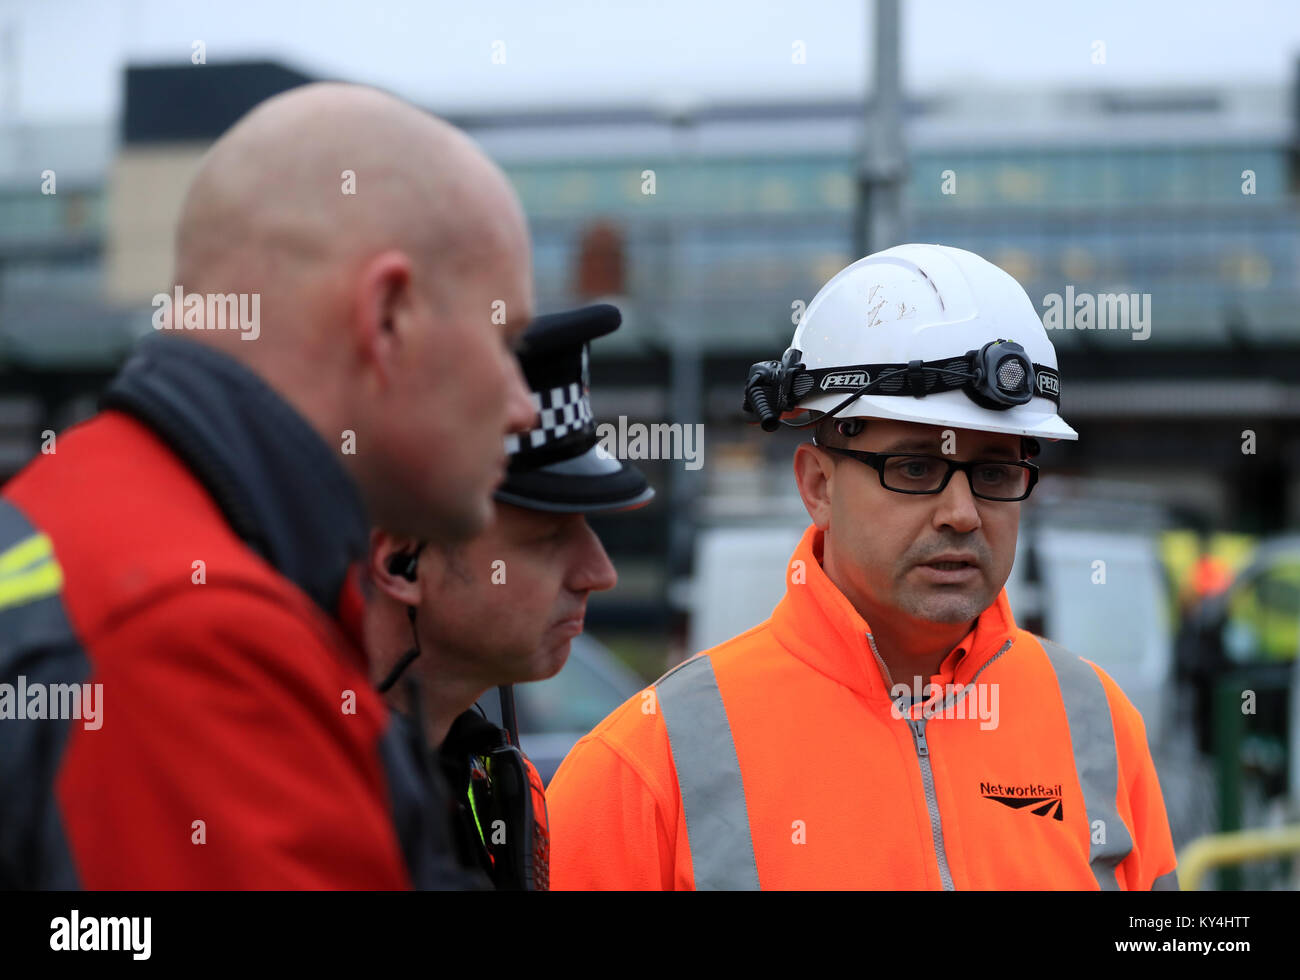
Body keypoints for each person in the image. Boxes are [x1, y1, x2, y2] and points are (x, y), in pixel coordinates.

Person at [0, 82, 536, 889]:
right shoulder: (192, 636)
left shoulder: (83, 513)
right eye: (504, 340)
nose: (525, 408)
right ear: (388, 316)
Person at [546, 243, 1180, 890]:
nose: (962, 512)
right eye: (915, 468)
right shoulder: (647, 764)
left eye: (994, 471)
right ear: (818, 485)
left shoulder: (1097, 722)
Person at [365, 303, 653, 889]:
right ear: (402, 561)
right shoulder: (289, 795)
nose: (598, 573)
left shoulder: (464, 773)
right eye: (547, 536)